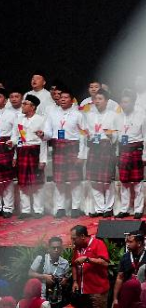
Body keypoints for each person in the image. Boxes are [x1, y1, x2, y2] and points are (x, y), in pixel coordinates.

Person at [79, 89, 122, 218]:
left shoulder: (114, 115)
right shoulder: (89, 115)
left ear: (107, 101)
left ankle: (108, 208)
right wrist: (87, 137)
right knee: (94, 180)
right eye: (95, 99)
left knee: (107, 181)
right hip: (94, 147)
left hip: (106, 147)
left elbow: (119, 134)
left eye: (100, 99)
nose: (97, 101)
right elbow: (85, 132)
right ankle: (99, 208)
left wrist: (112, 135)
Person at [45, 88, 85, 218]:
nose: (62, 99)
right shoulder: (52, 114)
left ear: (71, 100)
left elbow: (84, 135)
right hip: (58, 148)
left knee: (75, 180)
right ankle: (60, 207)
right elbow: (48, 132)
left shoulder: (78, 115)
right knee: (59, 181)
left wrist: (82, 154)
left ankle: (75, 208)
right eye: (61, 97)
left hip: (73, 147)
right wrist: (43, 134)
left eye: (66, 97)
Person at [69, 224, 111, 308]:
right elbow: (74, 264)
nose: (72, 241)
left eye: (74, 238)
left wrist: (88, 259)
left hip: (98, 291)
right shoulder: (77, 248)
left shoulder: (98, 244)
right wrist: (75, 281)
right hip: (83, 292)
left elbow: (105, 263)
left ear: (82, 236)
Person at [116, 90, 146, 218]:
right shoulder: (117, 117)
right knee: (124, 182)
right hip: (123, 150)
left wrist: (145, 155)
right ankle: (124, 209)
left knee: (137, 182)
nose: (124, 105)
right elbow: (116, 137)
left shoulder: (142, 117)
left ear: (133, 102)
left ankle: (138, 210)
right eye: (122, 102)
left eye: (127, 102)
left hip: (136, 149)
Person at [14, 94, 48, 216]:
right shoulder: (19, 119)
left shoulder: (41, 119)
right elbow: (16, 137)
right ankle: (25, 210)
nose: (22, 106)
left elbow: (44, 141)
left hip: (35, 151)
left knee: (37, 183)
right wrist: (15, 156)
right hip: (22, 151)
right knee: (23, 183)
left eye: (25, 104)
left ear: (33, 107)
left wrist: (43, 159)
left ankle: (38, 210)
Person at [112, 232, 146, 305]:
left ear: (139, 243)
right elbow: (120, 278)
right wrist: (115, 299)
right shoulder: (125, 257)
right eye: (127, 242)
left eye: (130, 242)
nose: (128, 244)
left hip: (145, 295)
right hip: (128, 294)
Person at [29, 236, 71, 304]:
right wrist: (44, 276)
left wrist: (64, 280)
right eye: (54, 248)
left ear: (61, 249)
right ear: (49, 248)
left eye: (58, 248)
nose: (56, 250)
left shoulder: (65, 263)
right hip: (41, 296)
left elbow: (66, 277)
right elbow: (30, 273)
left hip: (57, 297)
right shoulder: (41, 259)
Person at [0, 88, 15, 217]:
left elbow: (15, 133)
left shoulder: (12, 114)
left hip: (6, 146)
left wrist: (12, 143)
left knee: (7, 180)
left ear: (5, 100)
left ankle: (8, 208)